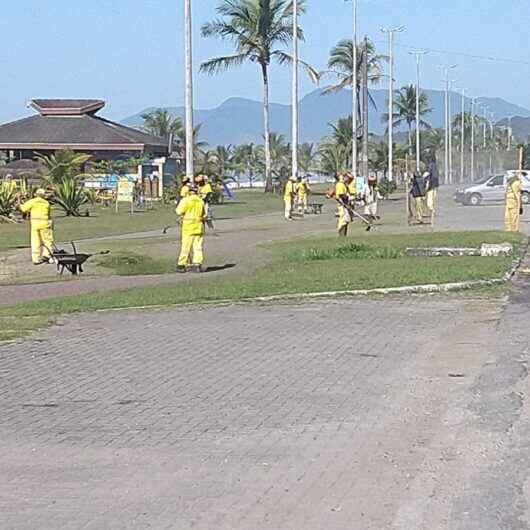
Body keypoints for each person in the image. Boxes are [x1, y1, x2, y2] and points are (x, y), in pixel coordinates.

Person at [19, 188, 55, 265]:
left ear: (36, 194)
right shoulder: (46, 203)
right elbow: (48, 215)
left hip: (35, 223)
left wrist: (19, 202)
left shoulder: (32, 201)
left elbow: (23, 209)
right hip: (45, 223)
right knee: (47, 240)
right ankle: (47, 255)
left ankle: (36, 258)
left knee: (35, 240)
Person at [176, 184, 206, 273]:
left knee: (185, 246)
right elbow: (204, 214)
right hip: (198, 225)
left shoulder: (186, 200)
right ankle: (197, 264)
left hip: (188, 226)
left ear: (189, 192)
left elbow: (178, 211)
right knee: (198, 246)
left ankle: (181, 264)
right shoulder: (201, 201)